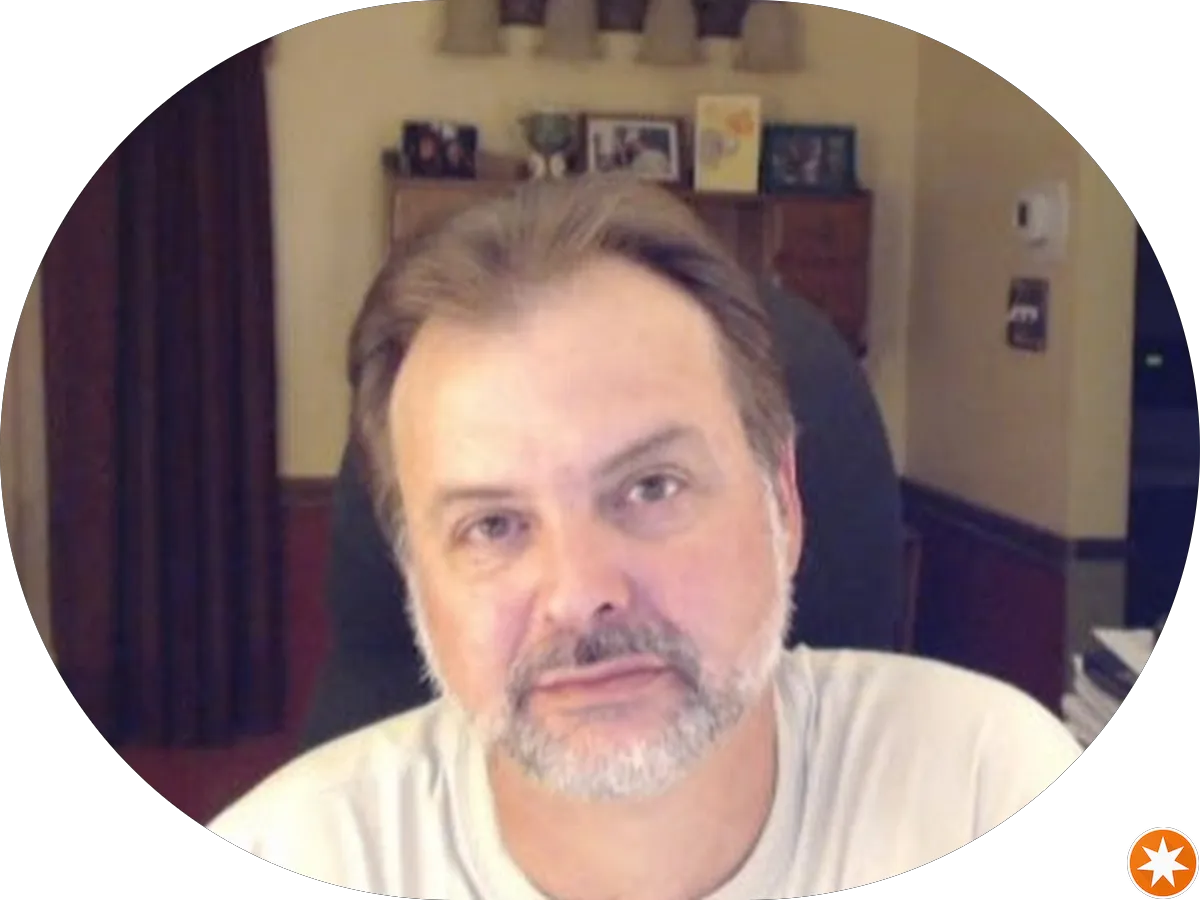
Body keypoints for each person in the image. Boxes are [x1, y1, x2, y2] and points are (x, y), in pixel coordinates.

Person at [209, 175, 1082, 898]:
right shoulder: (297, 849)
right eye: (493, 525)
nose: (581, 591)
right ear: (414, 576)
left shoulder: (986, 782)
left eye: (651, 487)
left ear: (782, 501)